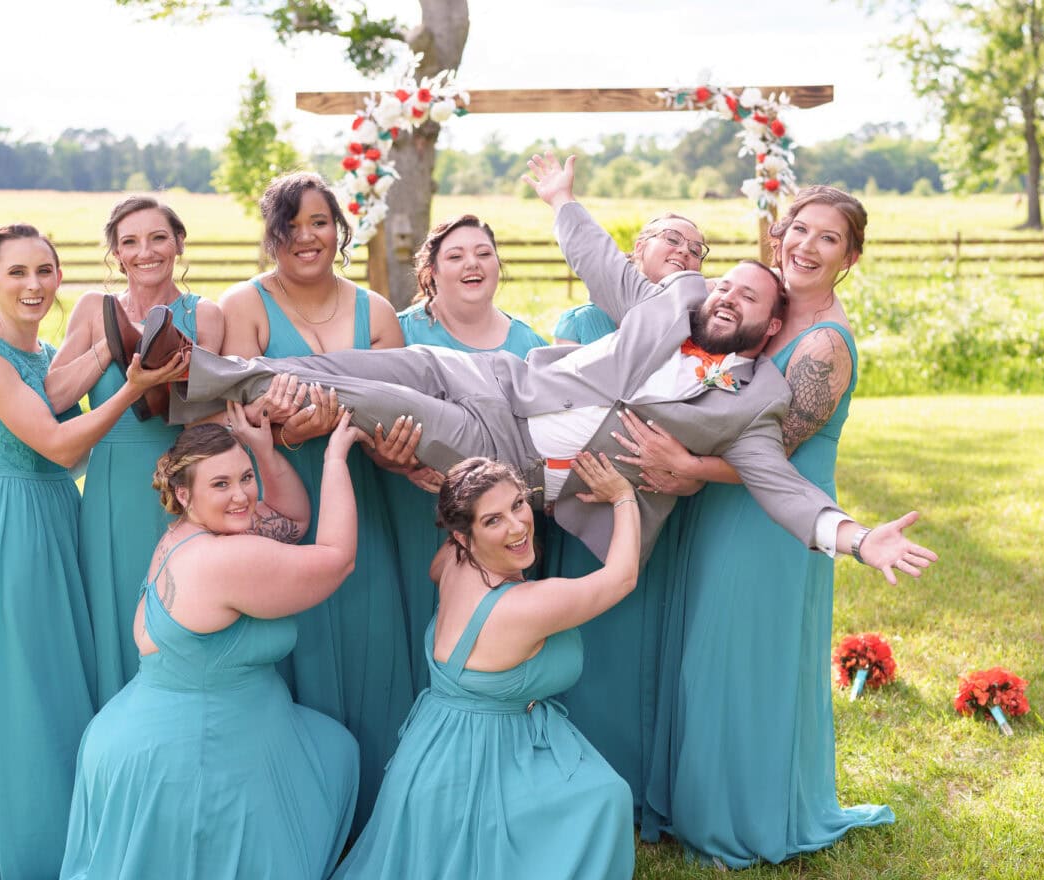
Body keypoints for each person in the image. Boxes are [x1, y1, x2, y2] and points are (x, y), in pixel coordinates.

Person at [170, 154, 937, 587]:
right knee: (358, 360)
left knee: (360, 395)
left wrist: (859, 538)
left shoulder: (751, 405)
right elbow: (604, 264)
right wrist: (562, 200)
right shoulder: (671, 304)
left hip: (509, 453)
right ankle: (202, 375)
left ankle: (186, 376)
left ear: (770, 327)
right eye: (726, 283)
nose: (728, 295)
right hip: (498, 382)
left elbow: (786, 489)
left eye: (749, 298)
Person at [0, 410, 364, 880]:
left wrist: (262, 451)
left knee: (332, 749)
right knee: (327, 774)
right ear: (182, 492)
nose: (242, 495)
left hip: (159, 726)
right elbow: (335, 558)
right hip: (185, 750)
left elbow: (293, 522)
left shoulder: (193, 533)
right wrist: (331, 458)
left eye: (244, 478)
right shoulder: (225, 557)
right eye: (221, 485)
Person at [284, 454, 639, 880]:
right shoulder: (526, 605)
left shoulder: (452, 562)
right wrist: (622, 497)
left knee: (591, 787)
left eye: (518, 505)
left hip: (432, 749)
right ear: (466, 535)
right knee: (606, 797)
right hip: (480, 759)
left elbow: (437, 564)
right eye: (493, 520)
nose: (519, 525)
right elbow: (622, 577)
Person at [634, 186, 896, 867]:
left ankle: (741, 820)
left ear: (851, 257)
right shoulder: (763, 312)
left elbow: (772, 457)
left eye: (828, 238)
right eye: (798, 229)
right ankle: (692, 799)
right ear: (777, 234)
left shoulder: (822, 346)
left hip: (773, 526)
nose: (806, 246)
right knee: (705, 656)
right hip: (718, 508)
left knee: (745, 663)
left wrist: (686, 463)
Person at [0, 223, 186, 880]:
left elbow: (77, 451)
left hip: (59, 515)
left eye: (45, 271)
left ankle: (79, 823)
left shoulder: (46, 356)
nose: (34, 285)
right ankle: (30, 843)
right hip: (11, 525)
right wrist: (133, 388)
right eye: (17, 273)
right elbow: (54, 442)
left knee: (65, 672)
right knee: (24, 677)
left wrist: (116, 365)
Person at [214, 171, 412, 833]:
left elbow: (402, 411)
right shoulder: (243, 305)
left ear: (339, 230)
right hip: (278, 496)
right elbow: (232, 409)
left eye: (320, 222)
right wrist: (280, 423)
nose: (308, 237)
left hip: (363, 490)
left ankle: (378, 810)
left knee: (370, 633)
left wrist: (335, 424)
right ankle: (294, 814)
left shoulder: (376, 312)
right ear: (273, 236)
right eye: (292, 224)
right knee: (291, 640)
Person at [540, 211, 710, 817]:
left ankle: (642, 789)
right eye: (672, 237)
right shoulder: (583, 321)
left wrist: (683, 470)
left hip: (651, 514)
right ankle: (582, 787)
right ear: (636, 249)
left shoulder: (698, 333)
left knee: (645, 654)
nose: (687, 251)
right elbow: (561, 406)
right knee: (589, 648)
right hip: (583, 508)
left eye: (698, 248)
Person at [48, 196, 224, 708]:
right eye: (130, 242)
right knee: (117, 616)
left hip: (180, 488)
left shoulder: (205, 313)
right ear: (117, 254)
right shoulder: (90, 309)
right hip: (110, 490)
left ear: (179, 244)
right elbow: (55, 396)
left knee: (180, 614)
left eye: (157, 238)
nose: (145, 252)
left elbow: (209, 411)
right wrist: (114, 339)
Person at [382, 214, 547, 692]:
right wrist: (394, 458)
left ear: (498, 264)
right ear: (430, 271)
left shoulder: (528, 344)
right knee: (410, 621)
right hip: (410, 503)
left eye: (483, 253)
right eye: (455, 256)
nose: (472, 263)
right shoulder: (402, 333)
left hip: (498, 526)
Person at [553, 212, 709, 345]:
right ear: (640, 248)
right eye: (673, 239)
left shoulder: (702, 330)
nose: (684, 250)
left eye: (695, 250)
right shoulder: (579, 323)